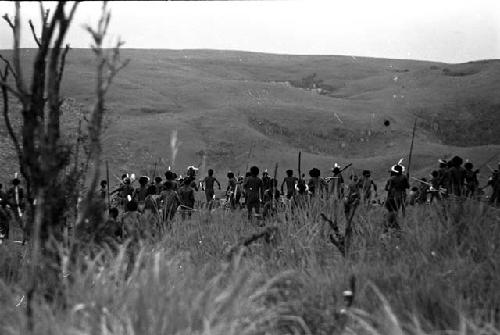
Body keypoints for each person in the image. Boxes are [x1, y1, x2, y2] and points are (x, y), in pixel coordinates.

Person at [384, 164, 409, 229]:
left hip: (395, 195)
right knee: (402, 207)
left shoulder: (392, 178)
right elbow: (408, 186)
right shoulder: (404, 177)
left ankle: (394, 222)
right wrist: (406, 179)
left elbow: (388, 188)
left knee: (395, 209)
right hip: (403, 194)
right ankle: (402, 218)